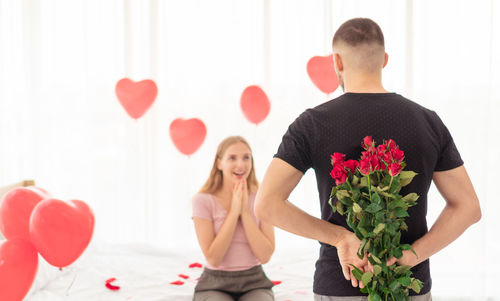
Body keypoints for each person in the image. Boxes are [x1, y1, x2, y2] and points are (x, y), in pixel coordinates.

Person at [255, 18, 481, 300]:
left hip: (339, 286)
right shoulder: (427, 121)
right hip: (409, 285)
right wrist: (413, 255)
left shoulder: (312, 124)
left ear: (337, 61)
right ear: (384, 59)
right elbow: (468, 207)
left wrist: (340, 238)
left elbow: (266, 205)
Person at [192, 136, 275, 301]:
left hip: (255, 281)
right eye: (232, 158)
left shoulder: (262, 198)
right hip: (214, 283)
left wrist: (244, 212)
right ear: (219, 164)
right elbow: (214, 259)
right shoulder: (202, 200)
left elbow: (265, 256)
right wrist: (234, 212)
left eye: (246, 157)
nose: (241, 164)